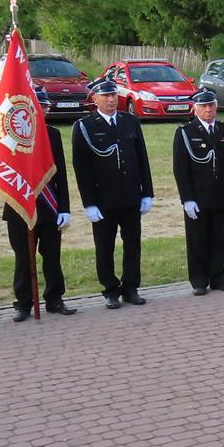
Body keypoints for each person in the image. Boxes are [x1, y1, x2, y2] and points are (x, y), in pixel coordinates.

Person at [73, 77, 154, 309]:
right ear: (94, 98)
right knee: (104, 246)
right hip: (103, 198)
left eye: (113, 95)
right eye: (105, 96)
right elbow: (82, 168)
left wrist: (147, 192)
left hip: (130, 195)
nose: (111, 99)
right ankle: (110, 289)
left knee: (133, 244)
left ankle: (131, 287)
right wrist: (89, 203)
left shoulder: (130, 121)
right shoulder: (85, 126)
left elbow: (142, 158)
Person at [7, 88, 74, 321]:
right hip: (20, 207)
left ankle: (55, 299)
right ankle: (24, 303)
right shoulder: (11, 135)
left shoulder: (52, 134)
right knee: (24, 259)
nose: (42, 110)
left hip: (49, 206)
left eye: (45, 107)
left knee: (52, 257)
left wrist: (64, 208)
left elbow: (60, 173)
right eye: (38, 106)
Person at [172, 88, 224, 295]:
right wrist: (187, 199)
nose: (208, 109)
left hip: (220, 194)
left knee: (219, 238)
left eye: (211, 105)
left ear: (216, 106)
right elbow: (180, 169)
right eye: (203, 106)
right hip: (198, 196)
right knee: (197, 239)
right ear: (195, 109)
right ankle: (199, 280)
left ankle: (218, 277)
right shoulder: (185, 132)